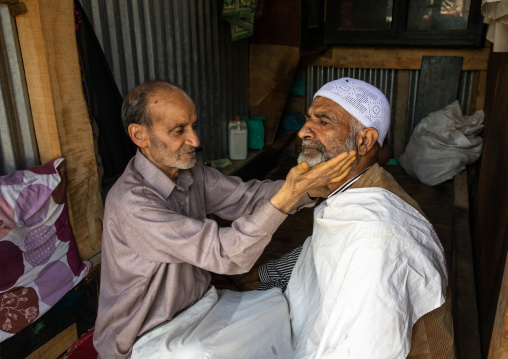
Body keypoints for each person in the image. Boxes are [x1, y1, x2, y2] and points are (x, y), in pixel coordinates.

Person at [93, 81, 356, 359]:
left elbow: (248, 197)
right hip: (146, 335)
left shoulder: (191, 172)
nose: (194, 140)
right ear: (139, 135)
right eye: (178, 130)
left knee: (278, 310)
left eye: (193, 126)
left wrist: (310, 187)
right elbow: (225, 254)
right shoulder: (131, 204)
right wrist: (289, 195)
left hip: (198, 306)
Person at [237, 77, 456, 358]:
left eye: (324, 121)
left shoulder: (376, 234)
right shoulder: (356, 190)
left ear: (364, 141)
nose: (304, 131)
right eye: (308, 119)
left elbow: (365, 348)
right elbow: (316, 253)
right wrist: (259, 276)